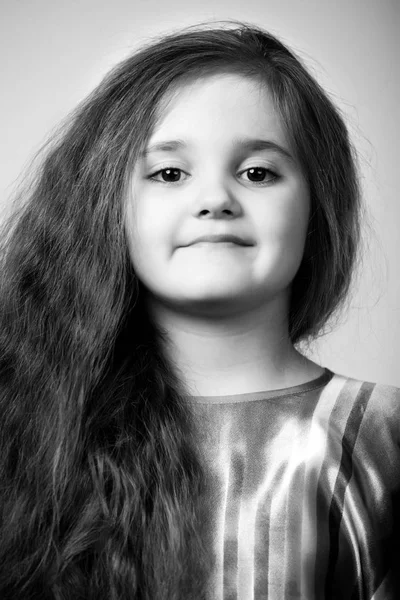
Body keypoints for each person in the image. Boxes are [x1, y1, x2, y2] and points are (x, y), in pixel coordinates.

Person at [0, 19, 398, 600]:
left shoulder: (384, 436)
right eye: (169, 173)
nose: (214, 200)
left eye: (257, 173)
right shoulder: (30, 434)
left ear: (319, 207)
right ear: (106, 206)